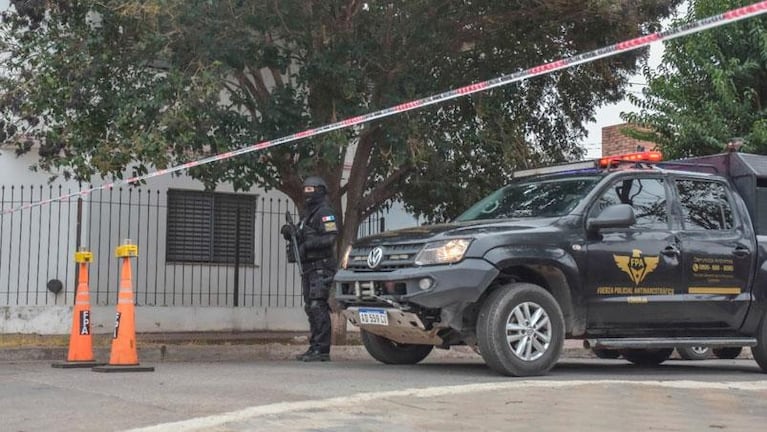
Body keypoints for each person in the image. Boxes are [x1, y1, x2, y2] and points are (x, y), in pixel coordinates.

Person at [281, 176, 338, 362]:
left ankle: (322, 350)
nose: (307, 193)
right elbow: (302, 236)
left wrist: (307, 246)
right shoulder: (307, 215)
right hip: (309, 267)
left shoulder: (325, 212)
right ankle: (314, 347)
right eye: (305, 189)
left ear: (320, 191)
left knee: (317, 305)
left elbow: (330, 239)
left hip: (321, 266)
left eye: (311, 189)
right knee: (310, 307)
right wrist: (291, 233)